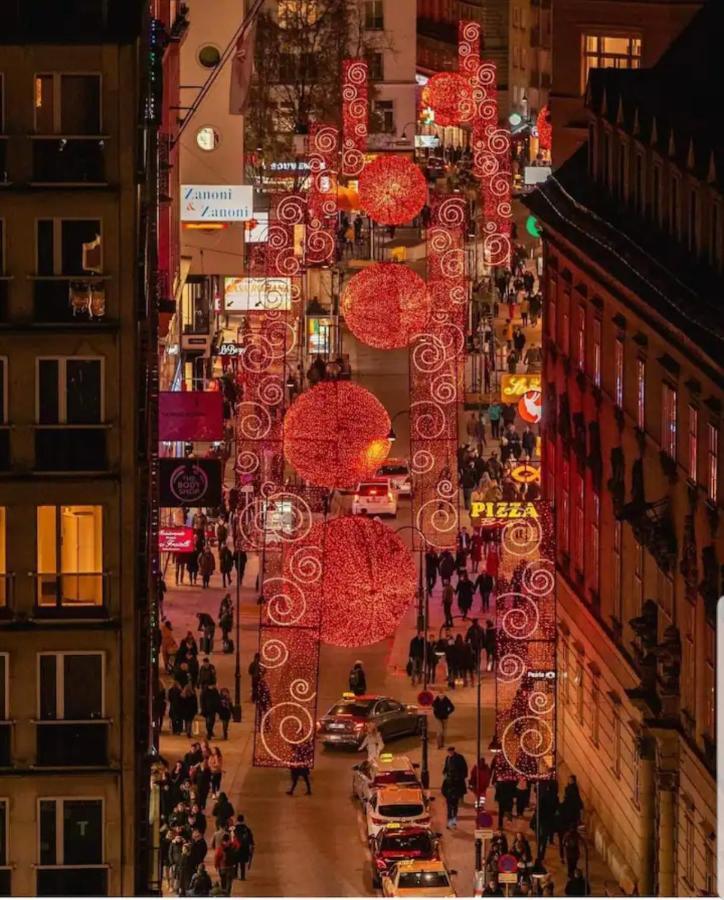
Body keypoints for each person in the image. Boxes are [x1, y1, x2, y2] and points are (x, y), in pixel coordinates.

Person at [442, 746, 468, 828]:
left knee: (454, 808)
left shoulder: (459, 758)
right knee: (450, 809)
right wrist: (445, 772)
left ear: (453, 751)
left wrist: (461, 777)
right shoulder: (448, 758)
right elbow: (446, 768)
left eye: (450, 751)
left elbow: (464, 768)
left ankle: (452, 823)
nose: (449, 753)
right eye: (448, 752)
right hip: (451, 791)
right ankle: (451, 823)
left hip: (455, 788)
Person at [233, 814, 254, 881]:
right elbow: (251, 840)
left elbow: (231, 839)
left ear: (237, 820)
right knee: (242, 863)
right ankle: (242, 876)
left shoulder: (234, 829)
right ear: (243, 820)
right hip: (244, 848)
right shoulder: (247, 829)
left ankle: (235, 875)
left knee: (235, 862)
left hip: (235, 847)